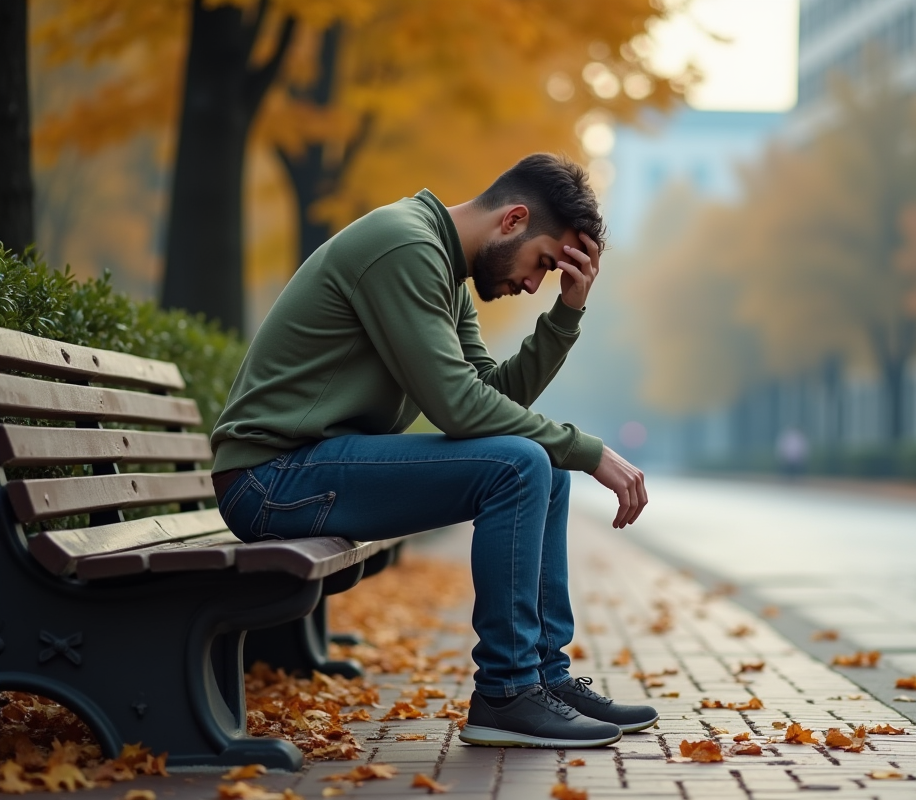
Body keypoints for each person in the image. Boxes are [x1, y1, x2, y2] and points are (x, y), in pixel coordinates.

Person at [209, 154, 652, 748]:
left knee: (541, 464)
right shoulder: (404, 247)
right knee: (523, 462)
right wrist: (590, 451)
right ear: (513, 219)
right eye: (544, 263)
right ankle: (506, 692)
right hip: (270, 479)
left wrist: (565, 314)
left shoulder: (443, 271)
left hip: (310, 466)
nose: (532, 284)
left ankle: (543, 678)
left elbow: (490, 398)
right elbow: (458, 408)